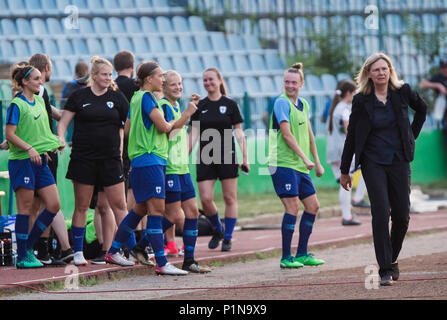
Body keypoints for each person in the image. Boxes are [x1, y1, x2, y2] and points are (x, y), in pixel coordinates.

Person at [340, 52, 427, 286]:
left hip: (399, 160)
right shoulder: (361, 100)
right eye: (376, 69)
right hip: (372, 162)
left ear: (391, 71)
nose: (381, 73)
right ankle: (385, 269)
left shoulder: (403, 92)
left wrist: (411, 136)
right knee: (381, 212)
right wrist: (345, 169)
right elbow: (352, 136)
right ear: (368, 73)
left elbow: (422, 108)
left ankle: (393, 257)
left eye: (385, 68)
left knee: (402, 216)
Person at [104, 61, 197, 275]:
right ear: (149, 79)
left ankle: (114, 250)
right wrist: (187, 115)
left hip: (141, 160)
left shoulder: (135, 99)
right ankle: (162, 263)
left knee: (140, 209)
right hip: (150, 159)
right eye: (160, 76)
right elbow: (164, 127)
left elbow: (127, 130)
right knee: (157, 211)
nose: (162, 80)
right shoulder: (146, 98)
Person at [57, 56, 130, 266]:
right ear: (94, 76)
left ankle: (122, 250)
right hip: (84, 159)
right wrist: (61, 137)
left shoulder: (117, 99)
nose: (108, 78)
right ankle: (78, 252)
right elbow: (63, 123)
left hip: (111, 160)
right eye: (104, 74)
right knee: (81, 206)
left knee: (119, 205)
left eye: (110, 75)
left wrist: (122, 149)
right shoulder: (79, 96)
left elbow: (127, 127)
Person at [267, 62, 325, 269]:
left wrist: (316, 161)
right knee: (292, 207)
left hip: (299, 165)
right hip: (282, 163)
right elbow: (286, 134)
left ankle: (301, 253)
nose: (289, 85)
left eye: (293, 82)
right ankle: (285, 257)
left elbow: (309, 134)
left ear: (301, 83)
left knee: (313, 206)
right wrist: (305, 158)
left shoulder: (304, 104)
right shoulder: (281, 103)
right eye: (286, 82)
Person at [5, 64, 63, 268]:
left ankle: (28, 247)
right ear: (25, 82)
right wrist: (29, 148)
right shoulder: (16, 104)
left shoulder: (39, 101)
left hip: (40, 159)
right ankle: (22, 256)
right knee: (25, 208)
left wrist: (51, 144)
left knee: (54, 205)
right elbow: (9, 134)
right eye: (37, 79)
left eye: (41, 78)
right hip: (22, 161)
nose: (41, 82)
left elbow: (41, 133)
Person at [189, 67, 249, 252]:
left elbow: (238, 132)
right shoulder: (200, 105)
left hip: (226, 154)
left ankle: (228, 238)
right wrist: (184, 155)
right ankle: (217, 229)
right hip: (206, 155)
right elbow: (194, 133)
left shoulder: (230, 104)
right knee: (206, 199)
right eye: (205, 80)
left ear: (219, 80)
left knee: (229, 197)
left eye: (211, 79)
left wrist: (244, 157)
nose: (208, 83)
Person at [157, 70, 211, 272]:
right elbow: (170, 133)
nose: (178, 87)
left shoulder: (177, 105)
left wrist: (188, 109)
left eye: (180, 83)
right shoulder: (163, 107)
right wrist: (189, 113)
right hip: (170, 167)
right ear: (163, 87)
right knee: (171, 215)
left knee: (192, 212)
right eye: (173, 84)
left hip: (182, 167)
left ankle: (190, 260)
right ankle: (141, 244)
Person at [29, 53, 74, 265]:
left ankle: (43, 249)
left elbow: (51, 112)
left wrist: (69, 114)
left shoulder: (41, 92)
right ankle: (40, 249)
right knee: (44, 205)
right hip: (43, 153)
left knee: (40, 205)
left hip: (43, 151)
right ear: (47, 67)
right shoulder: (38, 91)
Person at [326, 80, 366, 226]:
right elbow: (349, 129)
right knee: (369, 165)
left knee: (345, 182)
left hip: (332, 151)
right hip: (342, 150)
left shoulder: (335, 108)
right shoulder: (344, 109)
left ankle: (347, 216)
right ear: (349, 93)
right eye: (354, 93)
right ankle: (358, 199)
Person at [419, 58, 447, 132]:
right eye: (443, 68)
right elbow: (422, 84)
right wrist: (438, 85)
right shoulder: (438, 78)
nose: (445, 70)